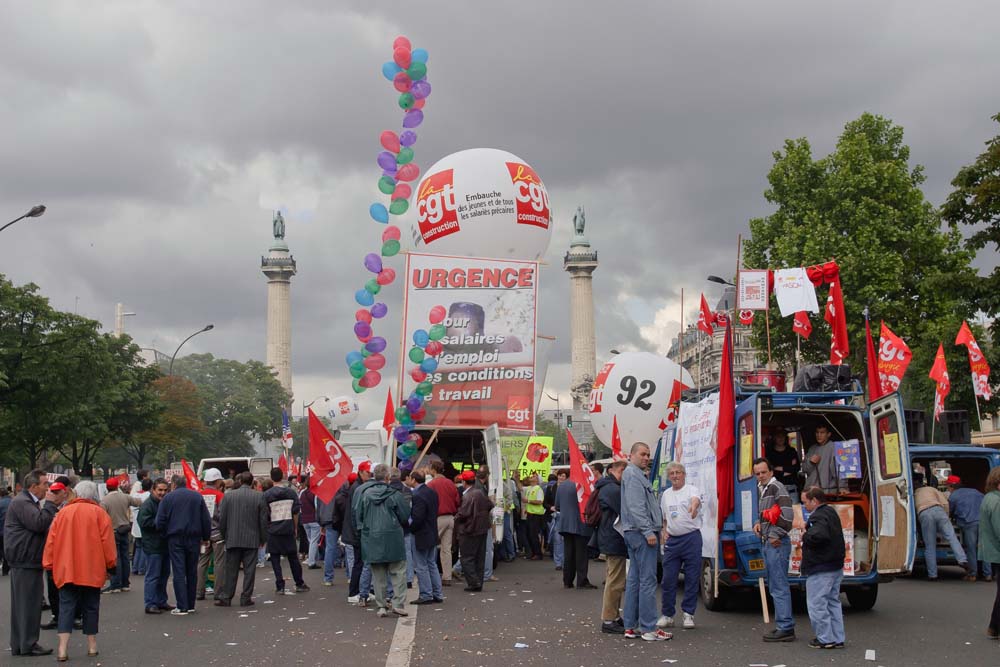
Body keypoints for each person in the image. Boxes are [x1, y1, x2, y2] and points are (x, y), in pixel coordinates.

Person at [42, 481, 116, 661]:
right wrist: (111, 565)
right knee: (91, 606)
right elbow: (107, 543)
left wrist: (49, 563)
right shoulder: (100, 514)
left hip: (67, 568)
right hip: (92, 568)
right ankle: (91, 645)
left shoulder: (62, 514)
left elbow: (51, 542)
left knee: (66, 606)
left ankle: (62, 648)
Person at [4, 469, 59, 656]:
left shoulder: (23, 502)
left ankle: (22, 643)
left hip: (24, 558)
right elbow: (39, 523)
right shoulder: (23, 502)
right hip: (25, 559)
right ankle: (28, 643)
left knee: (24, 604)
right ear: (33, 487)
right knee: (29, 604)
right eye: (44, 484)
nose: (48, 488)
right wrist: (50, 505)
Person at [620, 443, 670, 641]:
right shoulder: (633, 476)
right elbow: (636, 506)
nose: (646, 457)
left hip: (635, 532)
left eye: (648, 454)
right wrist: (648, 531)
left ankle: (630, 626)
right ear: (631, 455)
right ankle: (648, 628)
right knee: (648, 581)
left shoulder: (634, 475)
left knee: (634, 580)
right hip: (641, 533)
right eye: (642, 454)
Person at [356, 464, 411, 617]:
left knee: (378, 574)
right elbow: (405, 515)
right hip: (393, 537)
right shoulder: (395, 494)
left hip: (372, 537)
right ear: (388, 478)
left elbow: (358, 516)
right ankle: (398, 603)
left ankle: (381, 606)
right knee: (398, 572)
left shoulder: (365, 494)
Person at [155, 475, 212, 615]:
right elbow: (205, 518)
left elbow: (159, 521)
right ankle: (191, 604)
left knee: (179, 571)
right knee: (191, 571)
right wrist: (206, 537)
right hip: (194, 537)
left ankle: (182, 605)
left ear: (173, 485)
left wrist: (164, 534)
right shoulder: (197, 496)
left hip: (175, 537)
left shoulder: (168, 498)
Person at [753, 457, 795, 642]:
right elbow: (766, 514)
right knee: (776, 585)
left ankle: (785, 627)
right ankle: (783, 626)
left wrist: (773, 535)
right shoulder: (763, 489)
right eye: (757, 473)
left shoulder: (777, 487)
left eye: (763, 472)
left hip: (776, 544)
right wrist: (757, 523)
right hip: (769, 542)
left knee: (779, 586)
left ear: (771, 472)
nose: (760, 476)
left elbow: (788, 516)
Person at [657, 462, 702, 630]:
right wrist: (663, 531)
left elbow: (695, 500)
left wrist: (693, 506)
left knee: (691, 577)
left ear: (684, 474)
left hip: (691, 538)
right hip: (673, 541)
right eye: (672, 474)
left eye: (678, 473)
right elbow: (665, 518)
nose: (675, 476)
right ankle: (667, 615)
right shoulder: (666, 495)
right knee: (668, 579)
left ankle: (688, 614)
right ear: (669, 477)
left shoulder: (691, 489)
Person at [800, 486, 846, 649]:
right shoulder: (831, 512)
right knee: (833, 601)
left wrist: (805, 535)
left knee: (817, 603)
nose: (804, 505)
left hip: (821, 566)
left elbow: (819, 535)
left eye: (805, 502)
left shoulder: (817, 517)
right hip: (835, 565)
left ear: (814, 501)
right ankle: (838, 637)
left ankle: (825, 638)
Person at [216, 471, 269, 607]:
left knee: (231, 570)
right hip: (251, 539)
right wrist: (263, 539)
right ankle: (245, 597)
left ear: (239, 481)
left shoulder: (228, 497)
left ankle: (226, 596)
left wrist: (224, 535)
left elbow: (222, 519)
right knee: (249, 570)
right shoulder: (259, 496)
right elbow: (263, 520)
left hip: (232, 538)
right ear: (252, 482)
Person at [914, 472, 971, 580]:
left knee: (930, 546)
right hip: (939, 510)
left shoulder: (913, 493)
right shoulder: (931, 489)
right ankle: (962, 559)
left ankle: (933, 575)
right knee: (951, 537)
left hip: (924, 513)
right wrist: (947, 516)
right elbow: (945, 503)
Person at [263, 467, 309, 595]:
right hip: (288, 528)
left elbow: (264, 514)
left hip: (273, 530)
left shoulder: (266, 495)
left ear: (271, 477)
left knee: (275, 558)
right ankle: (299, 583)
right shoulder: (291, 493)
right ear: (282, 476)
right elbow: (296, 513)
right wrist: (294, 528)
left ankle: (280, 586)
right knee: (293, 558)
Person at [597, 460, 628, 634]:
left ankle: (613, 616)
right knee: (615, 581)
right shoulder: (612, 489)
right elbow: (625, 509)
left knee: (615, 578)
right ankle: (609, 620)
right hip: (614, 538)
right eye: (622, 470)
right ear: (612, 471)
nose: (625, 473)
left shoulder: (609, 487)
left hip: (611, 537)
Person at [555, 466, 595, 589]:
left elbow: (557, 506)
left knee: (569, 553)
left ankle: (567, 580)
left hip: (565, 523)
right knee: (581, 554)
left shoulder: (562, 485)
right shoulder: (582, 485)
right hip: (581, 523)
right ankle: (582, 580)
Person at [100, 476, 142, 593]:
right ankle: (125, 582)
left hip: (113, 531)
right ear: (117, 486)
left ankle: (115, 584)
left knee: (115, 558)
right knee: (124, 557)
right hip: (125, 530)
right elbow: (139, 502)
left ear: (107, 488)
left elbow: (101, 516)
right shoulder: (125, 497)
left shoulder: (105, 501)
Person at [407, 470, 443, 604]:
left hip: (421, 534)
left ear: (413, 479)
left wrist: (409, 525)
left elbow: (417, 518)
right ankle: (437, 593)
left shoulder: (417, 495)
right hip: (432, 532)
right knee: (431, 564)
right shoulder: (431, 492)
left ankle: (426, 594)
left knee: (421, 565)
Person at [947, 475, 992, 581]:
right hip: (983, 522)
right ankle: (988, 574)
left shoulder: (953, 496)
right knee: (984, 548)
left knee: (971, 549)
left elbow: (950, 513)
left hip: (969, 523)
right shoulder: (975, 491)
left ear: (951, 486)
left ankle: (972, 574)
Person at [455, 470, 494, 592]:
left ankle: (473, 582)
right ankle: (478, 582)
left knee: (466, 558)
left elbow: (463, 514)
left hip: (469, 529)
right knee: (479, 557)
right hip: (482, 528)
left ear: (463, 482)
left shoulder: (468, 495)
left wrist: (456, 518)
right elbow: (490, 505)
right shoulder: (480, 492)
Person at [137, 478, 172, 614]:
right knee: (153, 576)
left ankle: (161, 601)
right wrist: (160, 522)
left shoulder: (165, 503)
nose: (162, 493)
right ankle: (150, 603)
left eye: (165, 490)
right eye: (160, 490)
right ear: (153, 490)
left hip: (164, 545)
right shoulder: (147, 505)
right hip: (153, 546)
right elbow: (144, 523)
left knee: (164, 575)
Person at [427, 460, 461, 585]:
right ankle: (447, 576)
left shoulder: (431, 484)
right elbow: (457, 501)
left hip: (437, 518)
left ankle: (431, 577)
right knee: (446, 549)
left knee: (429, 547)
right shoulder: (450, 483)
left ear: (433, 470)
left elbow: (428, 503)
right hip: (450, 518)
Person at [344, 464, 374, 604]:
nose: (370, 475)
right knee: (359, 563)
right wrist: (358, 532)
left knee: (361, 562)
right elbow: (356, 513)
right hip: (356, 532)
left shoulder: (358, 487)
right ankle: (354, 592)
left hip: (355, 531)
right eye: (368, 472)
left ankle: (363, 590)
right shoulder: (357, 488)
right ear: (361, 472)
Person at [197, 468, 226, 601]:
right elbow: (223, 516)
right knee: (219, 562)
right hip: (217, 535)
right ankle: (218, 592)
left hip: (202, 536)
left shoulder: (198, 495)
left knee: (202, 562)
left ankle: (199, 591)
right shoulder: (220, 496)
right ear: (217, 481)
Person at [978, 466, 1000, 640]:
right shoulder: (997, 502)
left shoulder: (988, 498)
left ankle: (994, 627)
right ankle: (994, 627)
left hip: (993, 551)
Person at [388, 468, 415, 587]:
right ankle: (408, 579)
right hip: (405, 527)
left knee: (389, 554)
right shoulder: (408, 491)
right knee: (407, 553)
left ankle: (391, 579)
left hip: (390, 527)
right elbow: (410, 509)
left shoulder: (386, 490)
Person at [318, 474, 346, 586]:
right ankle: (350, 575)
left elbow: (319, 506)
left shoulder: (323, 486)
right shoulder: (343, 484)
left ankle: (328, 578)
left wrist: (321, 522)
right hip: (341, 518)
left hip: (328, 519)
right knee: (348, 546)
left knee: (330, 548)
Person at [801, 425, 842, 496]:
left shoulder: (834, 447)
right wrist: (811, 462)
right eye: (817, 432)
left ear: (828, 434)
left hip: (826, 492)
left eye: (822, 432)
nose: (819, 435)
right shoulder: (812, 448)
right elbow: (804, 469)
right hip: (811, 491)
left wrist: (842, 487)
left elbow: (839, 471)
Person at [766, 429, 800, 497]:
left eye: (782, 436)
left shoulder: (791, 451)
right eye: (778, 436)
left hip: (791, 487)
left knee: (795, 507)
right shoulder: (770, 453)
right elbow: (770, 471)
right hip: (776, 487)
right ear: (774, 438)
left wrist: (779, 468)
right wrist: (787, 470)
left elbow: (796, 468)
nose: (781, 438)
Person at [298, 475, 322, 569]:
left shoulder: (302, 493)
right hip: (313, 519)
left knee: (310, 540)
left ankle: (313, 558)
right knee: (314, 541)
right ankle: (312, 562)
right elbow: (317, 507)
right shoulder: (315, 493)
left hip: (304, 519)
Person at [522, 473, 545, 560]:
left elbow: (540, 501)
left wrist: (528, 501)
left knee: (533, 535)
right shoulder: (529, 488)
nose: (531, 477)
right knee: (529, 534)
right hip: (530, 514)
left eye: (534, 476)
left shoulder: (538, 489)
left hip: (536, 515)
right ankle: (534, 552)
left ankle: (538, 553)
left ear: (537, 480)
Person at [0, 487, 11, 576]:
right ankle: (5, 569)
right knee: (5, 550)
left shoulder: (0, 503)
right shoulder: (14, 502)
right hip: (9, 531)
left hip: (1, 530)